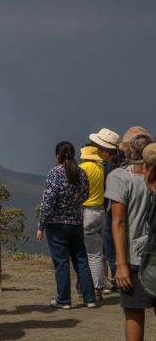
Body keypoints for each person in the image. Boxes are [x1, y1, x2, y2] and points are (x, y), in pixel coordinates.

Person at [36, 142, 96, 309]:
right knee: (81, 259)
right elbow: (86, 194)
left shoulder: (54, 173)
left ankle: (64, 300)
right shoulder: (81, 173)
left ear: (58, 157)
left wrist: (41, 225)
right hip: (76, 222)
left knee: (61, 262)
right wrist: (73, 207)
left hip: (57, 225)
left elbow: (48, 201)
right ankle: (89, 297)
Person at [106, 133, 155, 341]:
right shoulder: (148, 179)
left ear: (127, 151)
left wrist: (120, 263)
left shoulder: (119, 177)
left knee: (134, 314)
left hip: (134, 257)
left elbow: (119, 221)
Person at [80, 128, 120, 298]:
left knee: (89, 253)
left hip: (89, 210)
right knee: (99, 252)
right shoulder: (104, 167)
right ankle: (101, 285)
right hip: (101, 210)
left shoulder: (85, 168)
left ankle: (92, 287)